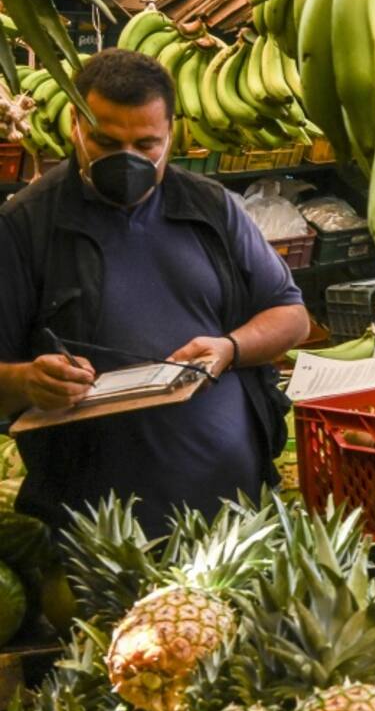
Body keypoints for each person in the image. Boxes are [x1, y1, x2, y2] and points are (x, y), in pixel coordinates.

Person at [0, 48, 310, 535]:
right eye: (105, 140)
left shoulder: (212, 208)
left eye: (146, 144)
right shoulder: (25, 226)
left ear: (172, 136)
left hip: (232, 511)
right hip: (94, 532)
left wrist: (230, 348)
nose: (126, 159)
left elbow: (291, 315)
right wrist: (27, 382)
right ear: (74, 128)